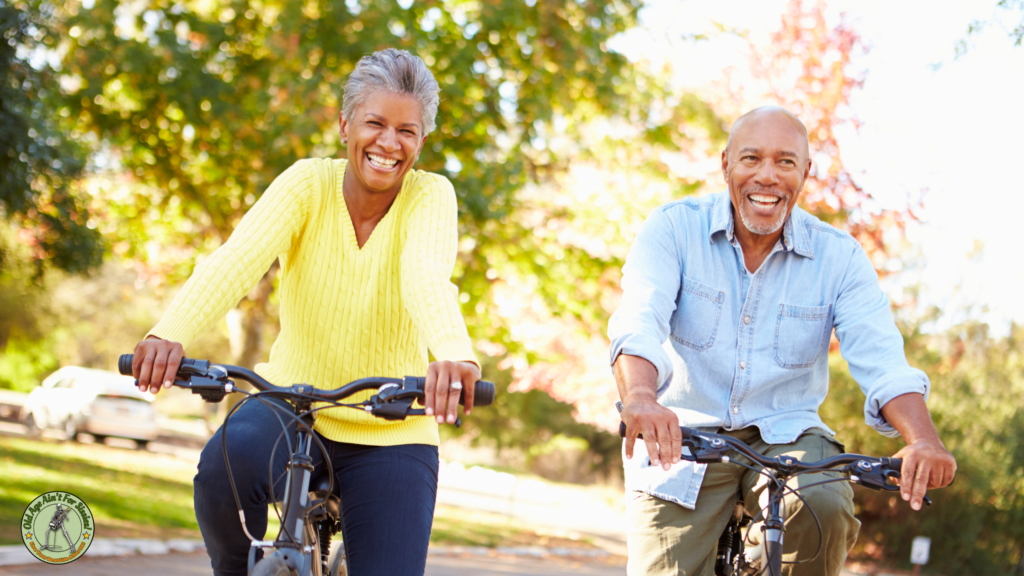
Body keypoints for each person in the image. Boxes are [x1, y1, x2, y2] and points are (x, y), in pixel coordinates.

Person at [131, 48, 480, 576]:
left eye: (407, 131)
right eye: (375, 123)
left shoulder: (431, 196)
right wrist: (168, 333)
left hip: (392, 426)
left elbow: (425, 277)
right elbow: (236, 260)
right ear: (345, 125)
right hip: (288, 404)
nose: (389, 143)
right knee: (220, 471)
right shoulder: (305, 184)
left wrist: (456, 355)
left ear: (421, 142)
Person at [608, 106, 957, 575]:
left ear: (806, 171)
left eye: (785, 162)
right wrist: (642, 398)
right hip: (682, 437)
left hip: (787, 437)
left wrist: (923, 440)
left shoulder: (839, 257)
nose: (767, 177)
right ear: (726, 164)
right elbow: (638, 321)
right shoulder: (673, 228)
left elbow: (883, 360)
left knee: (825, 506)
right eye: (751, 159)